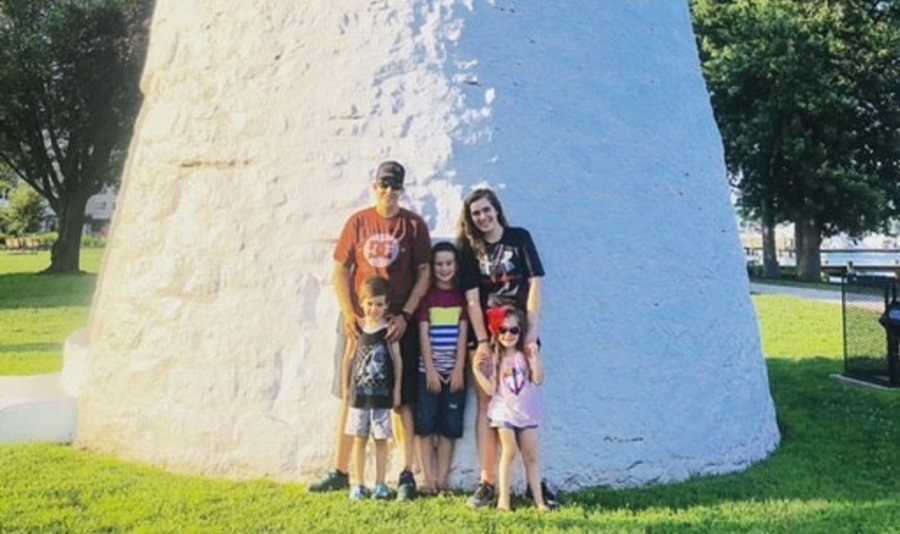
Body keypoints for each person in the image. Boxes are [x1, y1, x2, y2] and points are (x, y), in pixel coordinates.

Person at [311, 161, 431, 501]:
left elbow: (424, 273)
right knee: (352, 394)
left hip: (396, 323)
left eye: (395, 186)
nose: (389, 191)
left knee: (402, 397)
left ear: (402, 189)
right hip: (360, 323)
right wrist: (349, 312)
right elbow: (339, 269)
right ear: (374, 185)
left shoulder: (413, 225)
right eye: (383, 184)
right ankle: (342, 470)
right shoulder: (358, 222)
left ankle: (406, 474)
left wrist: (406, 314)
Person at [456, 187, 553, 508]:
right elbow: (472, 298)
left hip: (517, 330)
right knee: (489, 405)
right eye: (476, 214)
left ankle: (533, 482)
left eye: (486, 210)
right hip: (487, 334)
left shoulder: (519, 238)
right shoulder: (470, 249)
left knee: (525, 398)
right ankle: (488, 482)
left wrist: (531, 333)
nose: (482, 217)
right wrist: (482, 341)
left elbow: (535, 284)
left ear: (496, 209)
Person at [472, 307, 551, 512]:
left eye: (513, 330)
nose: (508, 335)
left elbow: (538, 379)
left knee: (531, 456)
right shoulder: (496, 357)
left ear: (521, 331)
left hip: (527, 411)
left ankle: (539, 500)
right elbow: (490, 389)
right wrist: (476, 371)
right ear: (496, 332)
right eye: (503, 330)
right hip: (504, 412)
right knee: (509, 450)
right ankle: (503, 501)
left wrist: (535, 359)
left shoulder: (524, 355)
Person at [415, 242, 468, 495]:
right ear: (432, 267)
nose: (444, 268)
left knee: (449, 428)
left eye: (449, 263)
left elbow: (463, 335)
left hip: (454, 374)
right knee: (425, 426)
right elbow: (424, 335)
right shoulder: (428, 298)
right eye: (439, 264)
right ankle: (428, 479)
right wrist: (432, 370)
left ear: (455, 265)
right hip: (429, 372)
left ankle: (443, 479)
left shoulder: (461, 298)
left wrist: (458, 369)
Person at [343, 277, 403, 501]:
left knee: (380, 440)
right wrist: (346, 387)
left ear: (386, 306)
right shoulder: (357, 328)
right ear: (361, 303)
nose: (374, 309)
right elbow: (348, 359)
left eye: (379, 304)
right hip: (359, 396)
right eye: (369, 303)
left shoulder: (389, 331)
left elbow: (397, 360)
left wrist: (396, 390)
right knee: (359, 439)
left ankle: (380, 484)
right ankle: (358, 484)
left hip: (382, 397)